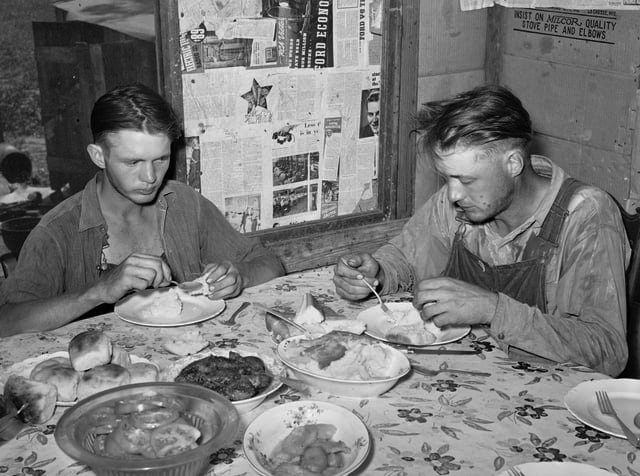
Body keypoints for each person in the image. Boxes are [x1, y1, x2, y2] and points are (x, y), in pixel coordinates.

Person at [334, 84, 630, 377]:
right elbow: (408, 257)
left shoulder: (586, 215)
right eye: (447, 179)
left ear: (513, 163)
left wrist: (493, 310)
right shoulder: (462, 203)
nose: (452, 195)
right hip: (468, 381)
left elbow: (607, 351)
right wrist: (379, 274)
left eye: (466, 180)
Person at [0, 83, 284, 337]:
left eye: (160, 159)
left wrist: (239, 277)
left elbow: (270, 264)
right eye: (133, 163)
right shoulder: (56, 231)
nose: (150, 177)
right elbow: (7, 322)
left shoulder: (184, 203)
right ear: (99, 156)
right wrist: (98, 290)